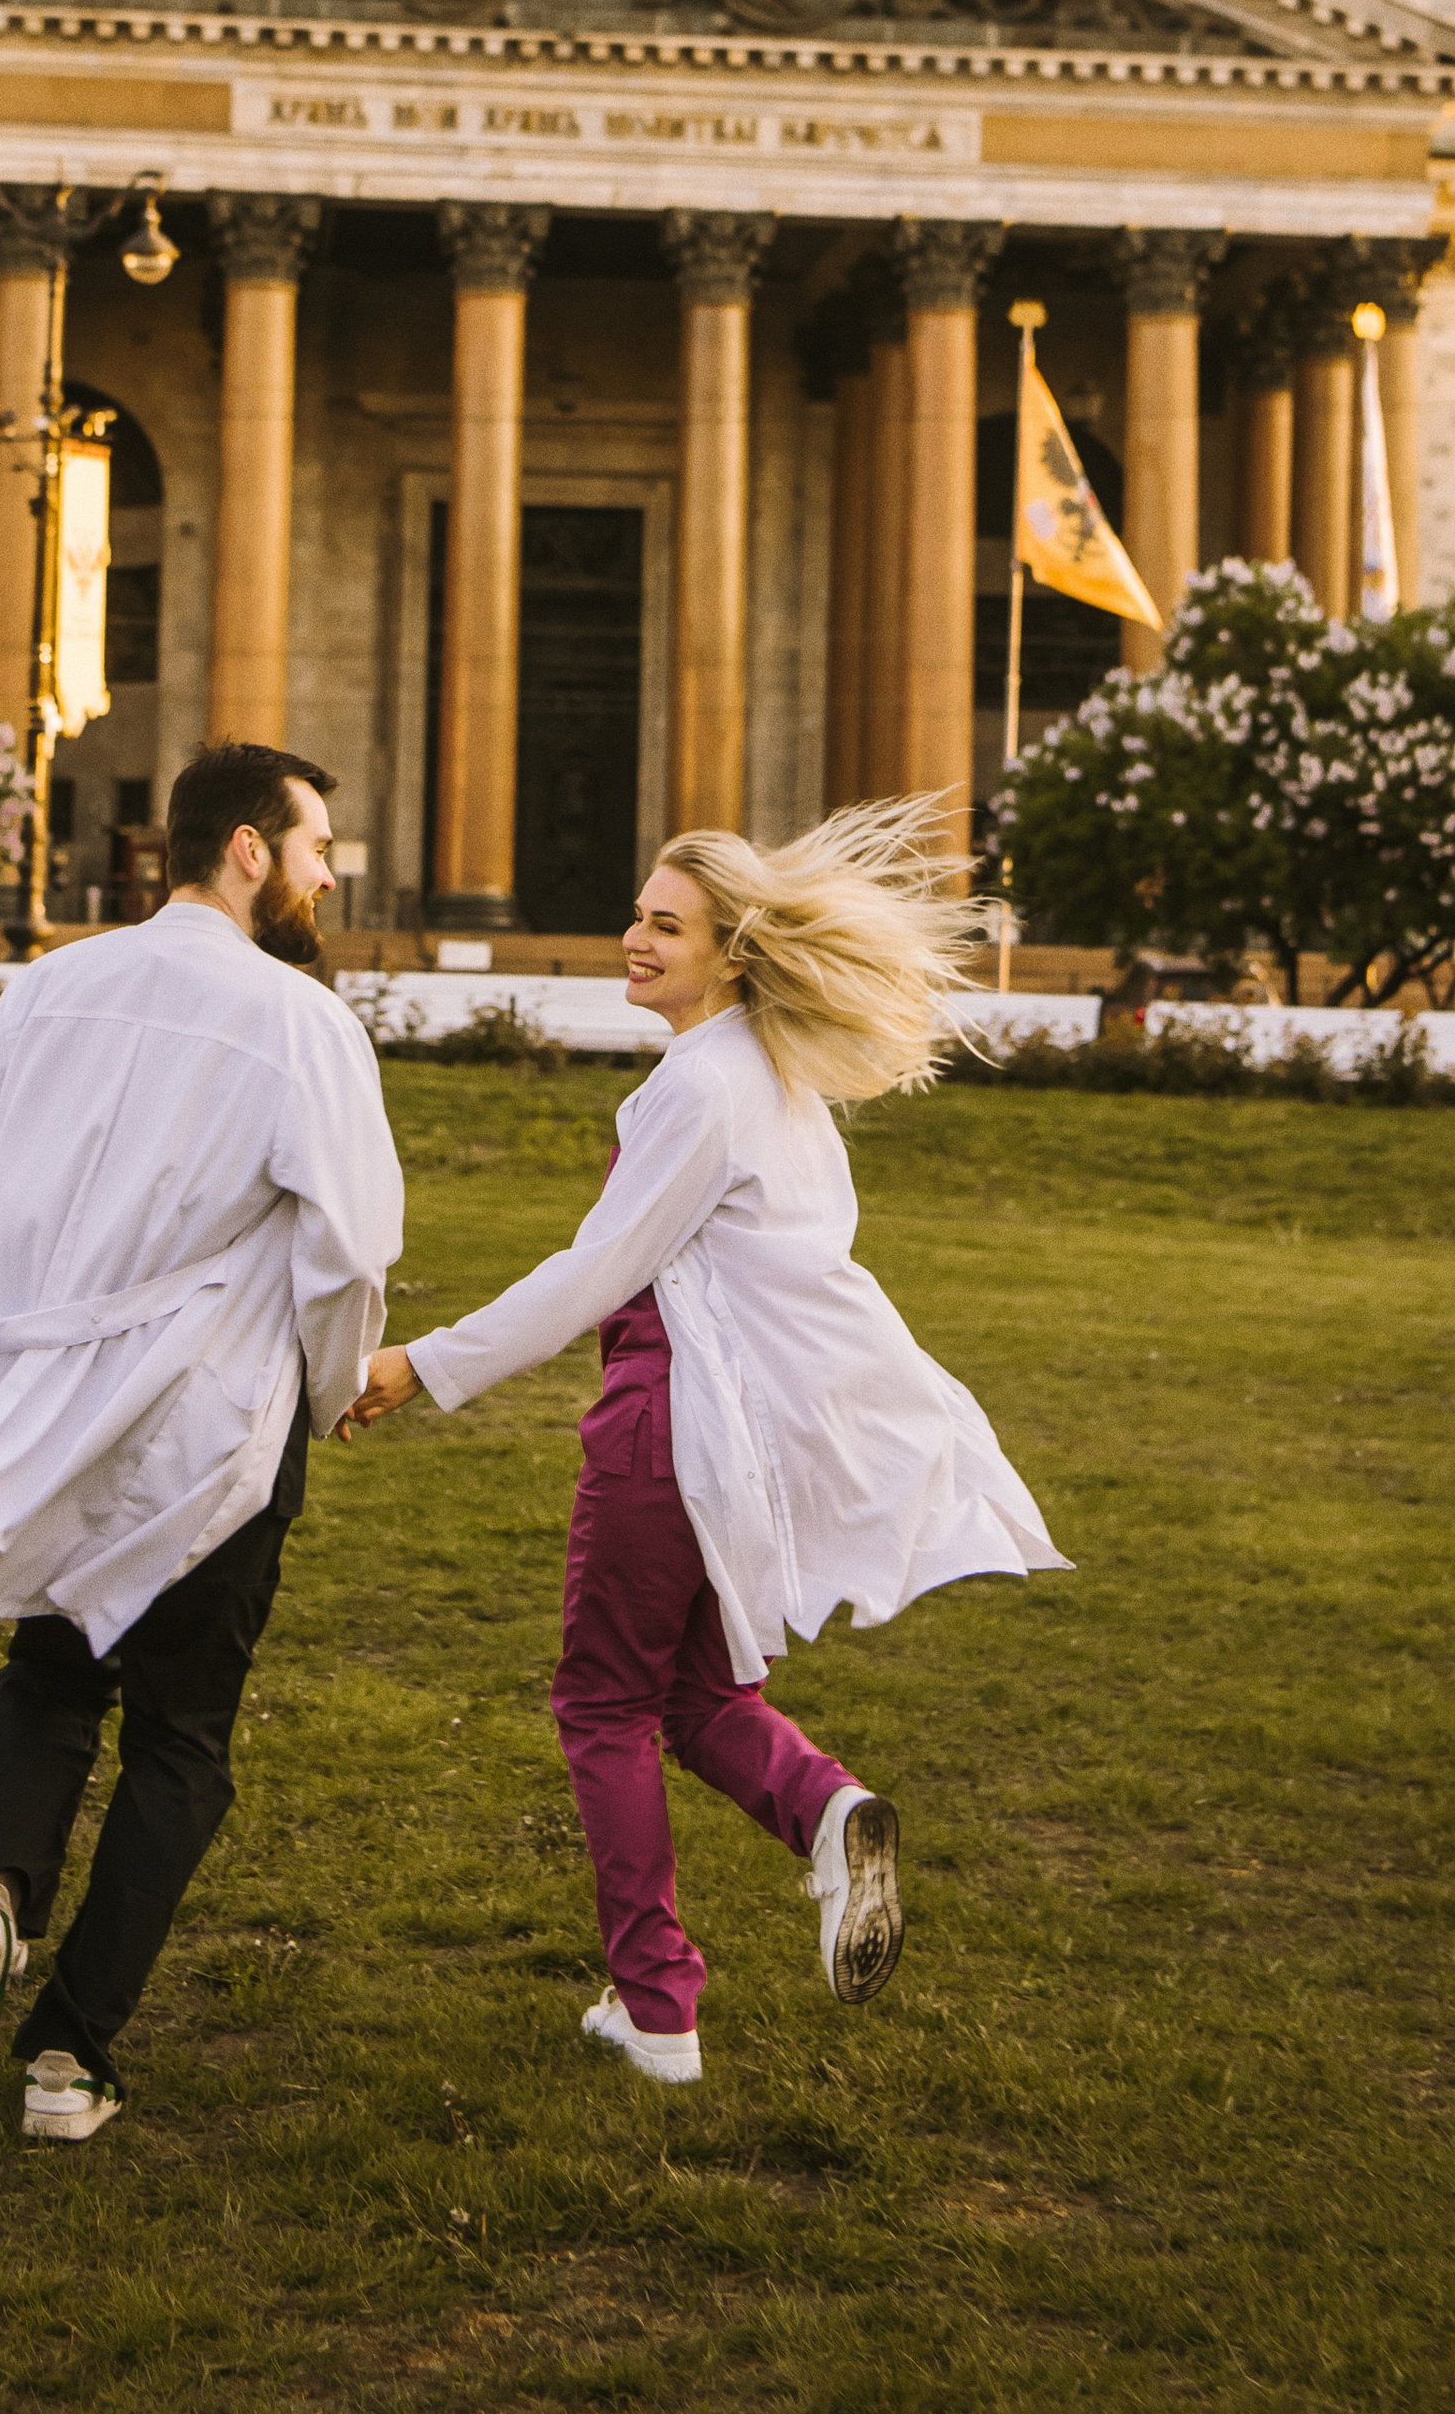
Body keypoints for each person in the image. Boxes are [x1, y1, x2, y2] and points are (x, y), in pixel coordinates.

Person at [341, 803, 1065, 2086]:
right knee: (696, 1694)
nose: (632, 938)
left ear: (731, 953)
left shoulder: (702, 1084)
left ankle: (657, 2007)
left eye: (663, 925)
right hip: (726, 1441)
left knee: (600, 1701)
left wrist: (421, 1364)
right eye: (636, 914)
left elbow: (595, 1270)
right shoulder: (781, 1083)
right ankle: (831, 1814)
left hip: (664, 1427)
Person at [0, 742, 403, 2148]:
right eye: (319, 842)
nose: (332, 869)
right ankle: (68, 2053)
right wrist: (332, 1384)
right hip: (215, 1423)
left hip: (53, 1412)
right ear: (251, 850)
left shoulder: (49, 985)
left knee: (48, 1671)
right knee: (182, 1736)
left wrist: (24, 1371)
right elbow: (346, 1254)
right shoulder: (300, 1023)